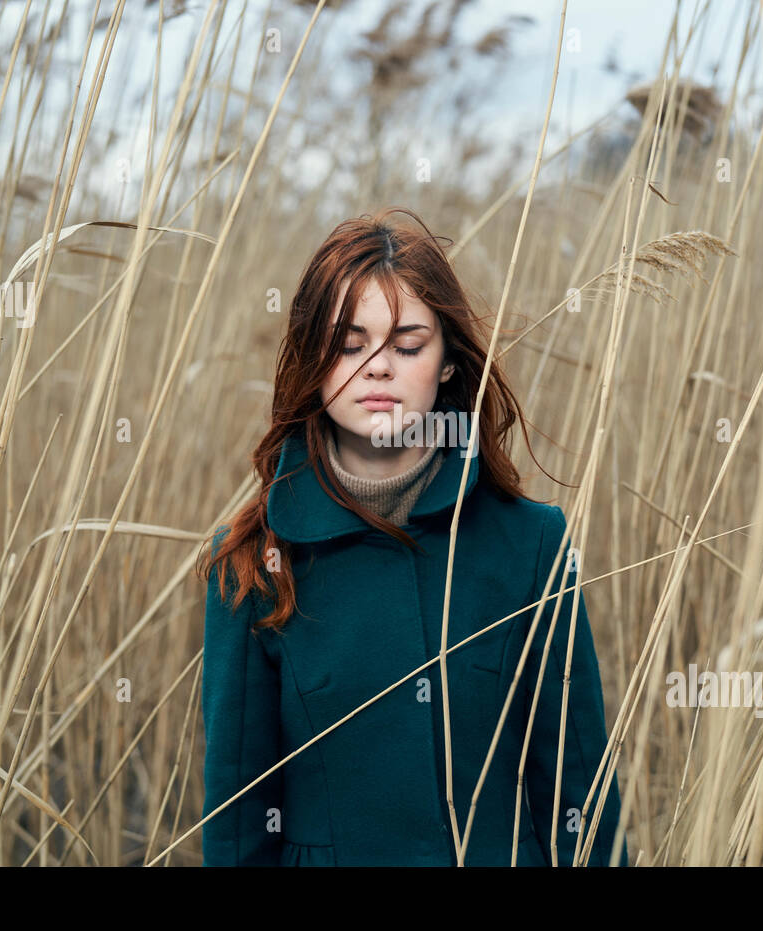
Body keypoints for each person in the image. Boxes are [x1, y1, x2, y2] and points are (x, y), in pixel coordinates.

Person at [197, 207, 627, 866]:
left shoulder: (532, 545)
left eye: (407, 343)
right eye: (349, 342)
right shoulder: (254, 562)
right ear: (314, 356)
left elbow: (580, 802)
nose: (377, 367)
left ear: (449, 362)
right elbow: (238, 826)